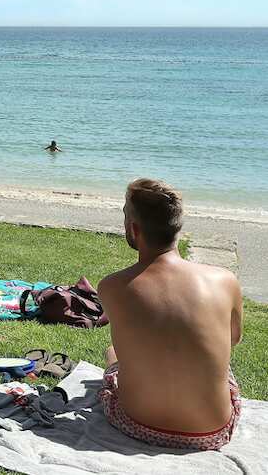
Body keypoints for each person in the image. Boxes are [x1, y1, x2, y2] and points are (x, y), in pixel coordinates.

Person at [97, 179, 243, 450]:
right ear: (177, 228)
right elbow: (232, 340)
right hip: (212, 432)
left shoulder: (112, 286)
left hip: (137, 423)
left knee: (112, 354)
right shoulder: (225, 280)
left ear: (133, 228)